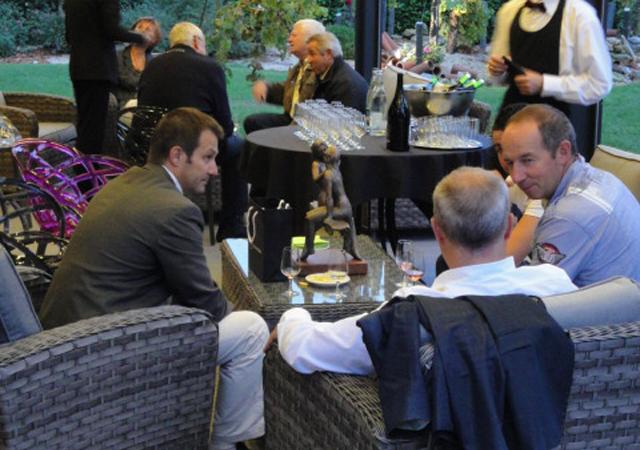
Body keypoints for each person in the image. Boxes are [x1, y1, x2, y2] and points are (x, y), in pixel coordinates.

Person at [39, 108, 268, 450]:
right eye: (207, 157)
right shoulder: (175, 211)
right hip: (99, 350)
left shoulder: (126, 182)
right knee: (251, 330)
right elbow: (208, 303)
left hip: (62, 338)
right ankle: (224, 443)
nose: (214, 170)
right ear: (177, 155)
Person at [270, 166, 577, 376]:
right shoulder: (555, 285)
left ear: (436, 231)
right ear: (510, 225)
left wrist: (291, 317)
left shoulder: (412, 314)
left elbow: (304, 349)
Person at [500, 104, 640, 287]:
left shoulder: (568, 216)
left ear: (563, 152)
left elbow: (532, 302)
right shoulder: (600, 178)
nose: (516, 176)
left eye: (527, 160)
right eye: (510, 162)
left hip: (607, 315)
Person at [138, 22, 248, 241]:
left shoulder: (151, 65)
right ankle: (231, 225)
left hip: (151, 145)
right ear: (197, 42)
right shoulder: (209, 67)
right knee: (237, 147)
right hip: (191, 147)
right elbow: (224, 127)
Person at [487, 0, 612, 158]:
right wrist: (498, 69)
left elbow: (600, 83)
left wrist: (544, 84)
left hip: (555, 128)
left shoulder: (580, 14)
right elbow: (498, 74)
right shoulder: (509, 11)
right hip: (510, 122)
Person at [64, 0, 149, 154]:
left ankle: (82, 168)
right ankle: (90, 173)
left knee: (84, 126)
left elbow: (69, 36)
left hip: (78, 66)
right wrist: (140, 38)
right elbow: (111, 29)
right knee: (95, 130)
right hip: (97, 68)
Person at [243, 19, 325, 135]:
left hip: (306, 127)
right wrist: (267, 89)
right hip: (290, 119)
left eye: (294, 35)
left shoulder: (318, 69)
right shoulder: (300, 66)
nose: (289, 40)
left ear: (310, 39)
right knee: (253, 122)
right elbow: (291, 92)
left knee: (256, 127)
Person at [306, 32, 368, 112]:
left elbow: (341, 122)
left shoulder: (345, 84)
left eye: (312, 54)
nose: (308, 60)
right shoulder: (328, 75)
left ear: (328, 54)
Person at [112, 16, 163, 109]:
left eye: (148, 29)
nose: (142, 31)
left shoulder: (154, 63)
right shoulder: (116, 54)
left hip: (143, 108)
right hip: (118, 107)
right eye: (139, 27)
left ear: (154, 39)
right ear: (132, 32)